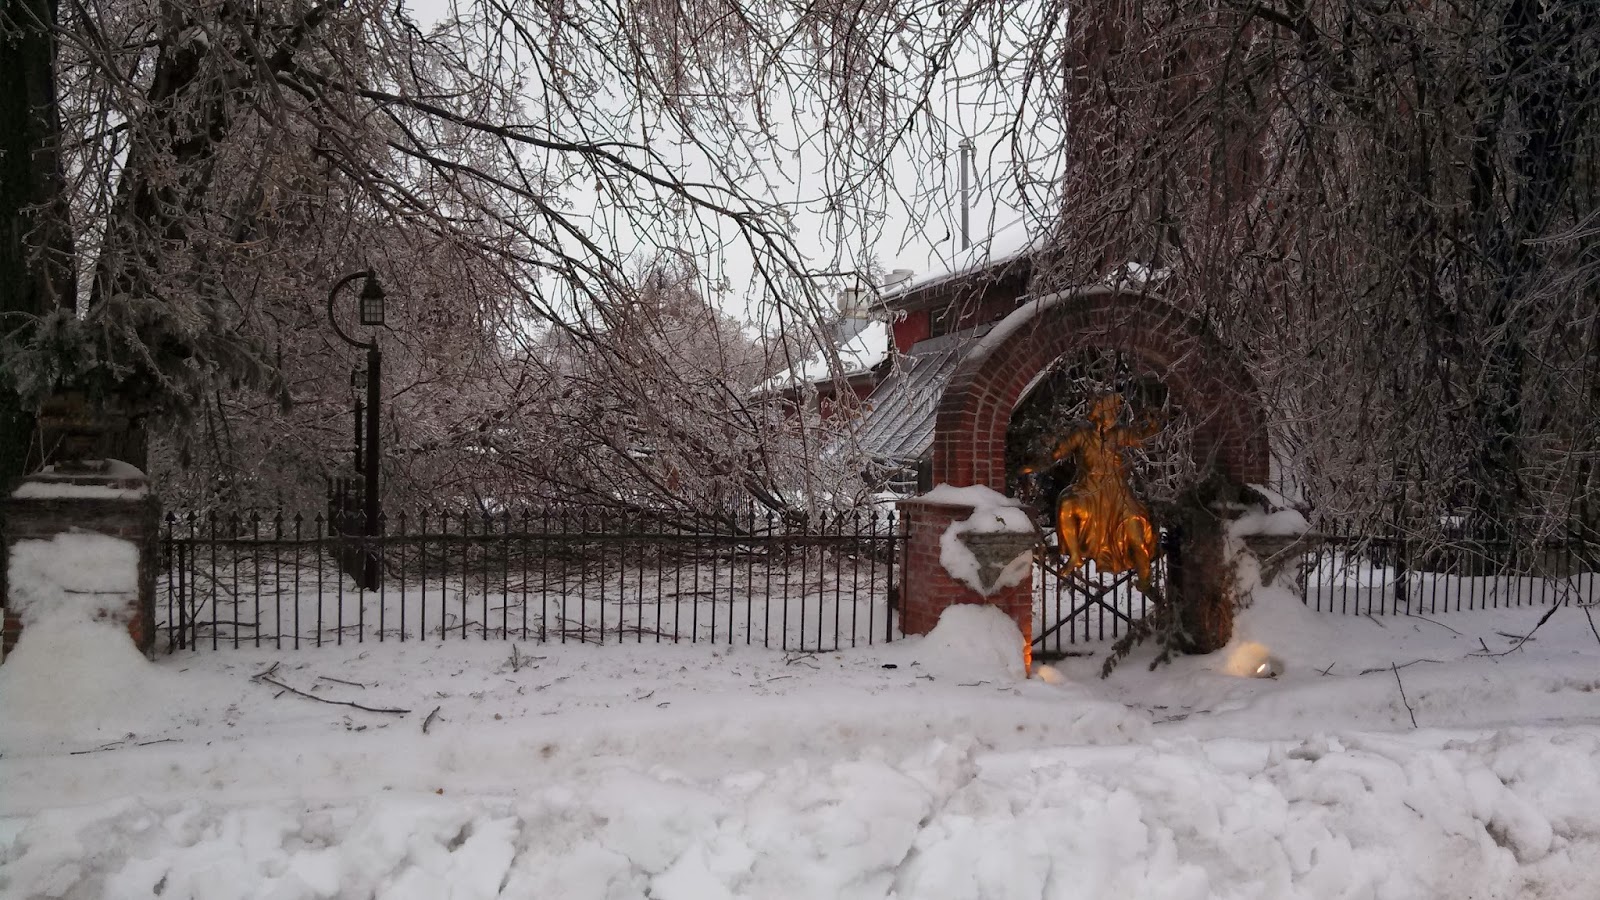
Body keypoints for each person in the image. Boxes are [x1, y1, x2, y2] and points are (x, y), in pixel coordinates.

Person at [1045, 394, 1159, 587]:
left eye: (1115, 410)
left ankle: (1145, 580)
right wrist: (1048, 449)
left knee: (1136, 532)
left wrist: (1153, 425)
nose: (1114, 414)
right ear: (1099, 412)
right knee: (1066, 505)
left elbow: (1143, 438)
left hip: (1117, 492)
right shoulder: (1082, 435)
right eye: (1110, 410)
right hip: (1089, 489)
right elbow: (1057, 453)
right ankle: (1075, 555)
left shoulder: (1118, 434)